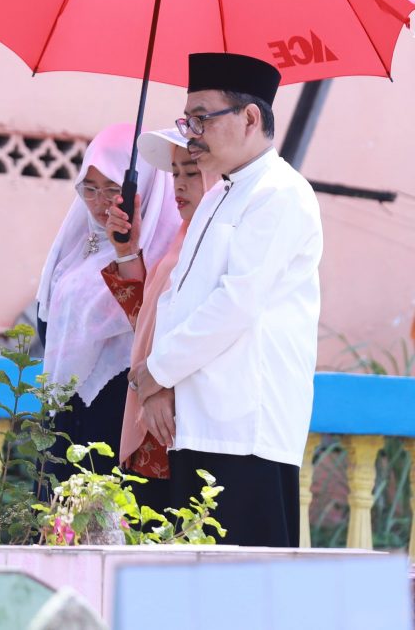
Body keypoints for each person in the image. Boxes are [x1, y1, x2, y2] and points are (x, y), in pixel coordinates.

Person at [130, 52, 323, 547]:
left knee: (245, 597)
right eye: (187, 119)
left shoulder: (282, 193)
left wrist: (158, 371)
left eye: (201, 118)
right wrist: (159, 386)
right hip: (195, 421)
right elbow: (179, 295)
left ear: (250, 117)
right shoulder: (221, 193)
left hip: (245, 429)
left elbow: (235, 303)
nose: (191, 133)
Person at [35, 123, 180, 486]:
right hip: (68, 413)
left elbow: (150, 325)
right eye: (90, 189)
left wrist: (127, 252)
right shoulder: (74, 249)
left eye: (113, 190)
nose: (100, 204)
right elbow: (47, 314)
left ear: (141, 187)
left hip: (122, 412)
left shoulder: (165, 252)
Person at [100, 128, 215, 513]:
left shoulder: (217, 241)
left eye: (192, 172)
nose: (179, 185)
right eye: (175, 174)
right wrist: (127, 251)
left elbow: (209, 329)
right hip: (154, 417)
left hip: (186, 417)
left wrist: (159, 382)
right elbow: (147, 323)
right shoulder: (182, 240)